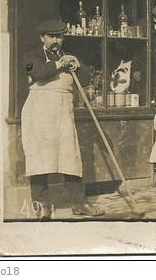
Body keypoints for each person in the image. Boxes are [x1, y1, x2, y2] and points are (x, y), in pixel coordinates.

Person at [21, 20, 104, 219]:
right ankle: (42, 207)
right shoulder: (31, 56)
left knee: (70, 159)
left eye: (59, 36)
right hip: (39, 114)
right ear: (42, 38)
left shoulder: (69, 57)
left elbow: (84, 80)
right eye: (51, 36)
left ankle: (79, 204)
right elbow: (39, 73)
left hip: (63, 114)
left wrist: (77, 64)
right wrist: (60, 64)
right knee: (40, 160)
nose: (56, 40)